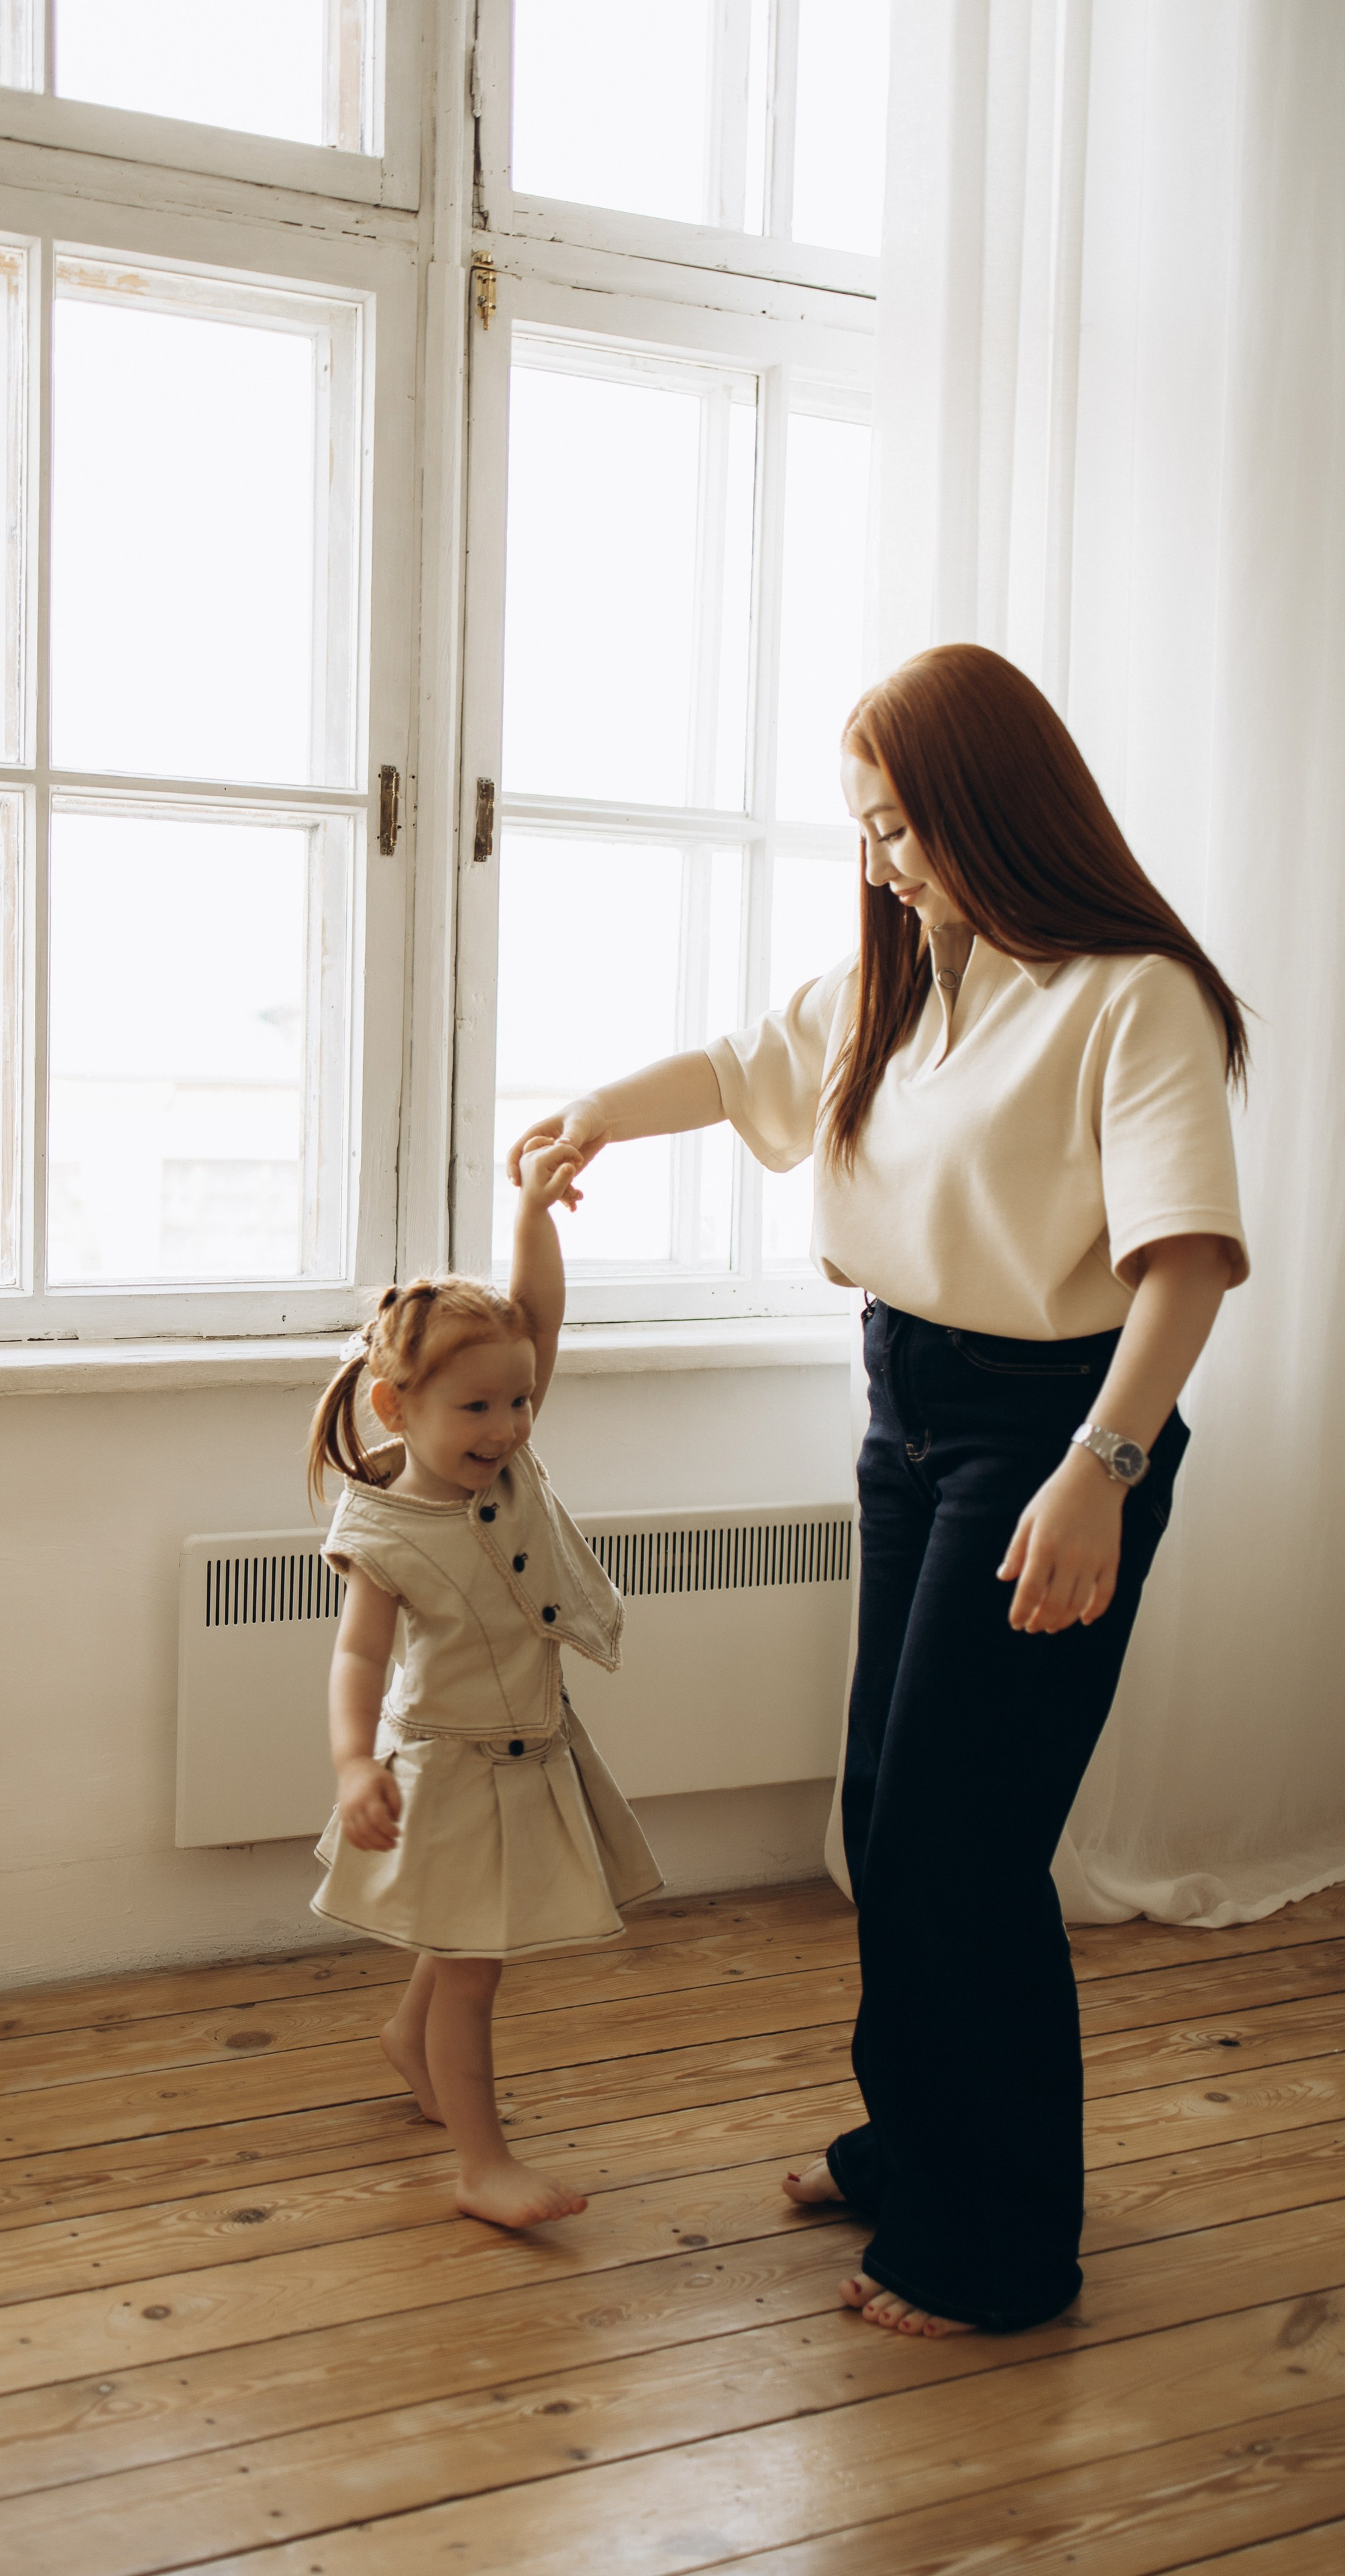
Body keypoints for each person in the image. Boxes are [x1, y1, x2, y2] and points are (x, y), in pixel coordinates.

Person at [506, 643, 1249, 2333]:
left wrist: (1097, 1474)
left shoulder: (1131, 996)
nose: (876, 861)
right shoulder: (910, 971)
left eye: (901, 826)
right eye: (859, 828)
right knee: (884, 1813)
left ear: (993, 810)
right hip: (906, 1402)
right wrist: (588, 1121)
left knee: (958, 1845)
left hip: (1053, 1428)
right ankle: (912, 2138)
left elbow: (1185, 1266)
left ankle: (994, 2251)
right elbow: (732, 1066)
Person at [306, 1139, 663, 2229]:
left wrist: (535, 1217)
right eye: (477, 1410)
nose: (507, 1428)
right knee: (475, 1965)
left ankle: (407, 2042)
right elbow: (358, 1657)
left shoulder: (507, 1457)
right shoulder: (384, 1531)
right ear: (394, 1406)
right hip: (451, 1765)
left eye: (519, 1406)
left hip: (534, 1747)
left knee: (466, 1938)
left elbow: (536, 1317)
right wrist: (355, 1761)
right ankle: (481, 2164)